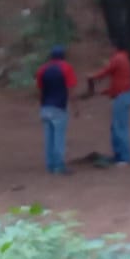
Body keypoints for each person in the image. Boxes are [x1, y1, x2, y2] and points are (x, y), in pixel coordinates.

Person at [89, 44, 130, 165]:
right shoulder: (124, 59)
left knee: (120, 127)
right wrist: (104, 92)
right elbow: (117, 82)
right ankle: (118, 155)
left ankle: (125, 157)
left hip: (122, 96)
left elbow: (106, 71)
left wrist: (92, 76)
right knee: (116, 127)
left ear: (115, 47)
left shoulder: (118, 58)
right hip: (122, 95)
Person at [35, 45, 77, 175]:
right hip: (59, 107)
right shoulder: (66, 68)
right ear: (63, 56)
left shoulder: (42, 69)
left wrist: (41, 104)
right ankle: (59, 166)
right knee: (59, 138)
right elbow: (71, 89)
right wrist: (75, 107)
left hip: (45, 107)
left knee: (49, 138)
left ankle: (50, 164)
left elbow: (39, 89)